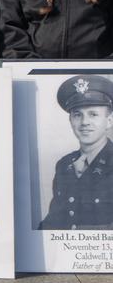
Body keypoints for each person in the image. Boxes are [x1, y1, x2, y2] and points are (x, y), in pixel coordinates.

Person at [40, 75, 113, 230]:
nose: (85, 122)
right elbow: (54, 220)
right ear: (70, 121)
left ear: (109, 121)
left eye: (93, 114)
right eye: (77, 115)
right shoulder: (64, 164)